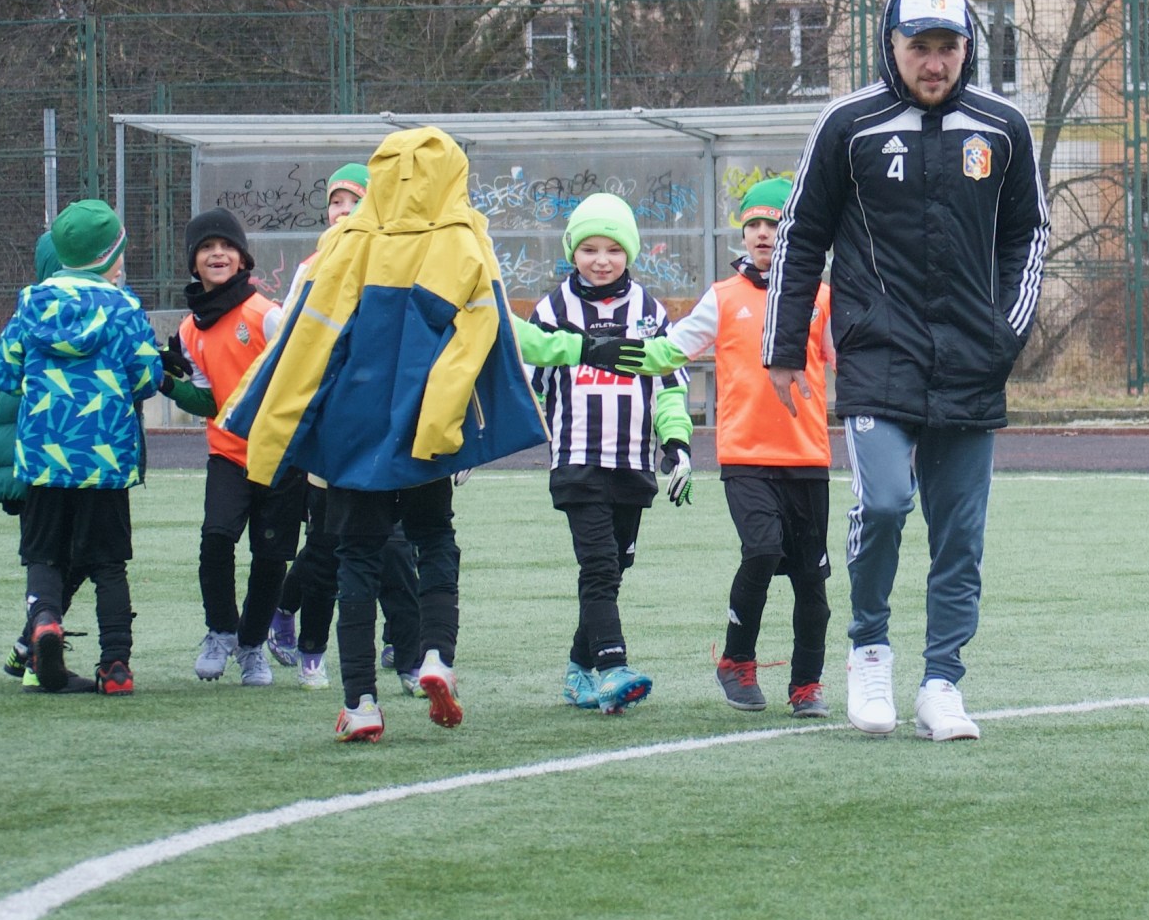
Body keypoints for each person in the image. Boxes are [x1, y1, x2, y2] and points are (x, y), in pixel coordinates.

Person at [763, 0, 1049, 741]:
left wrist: (1005, 334)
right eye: (919, 45)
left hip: (971, 362)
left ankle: (942, 683)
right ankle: (869, 653)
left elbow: (1029, 235)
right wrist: (785, 346)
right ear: (891, 45)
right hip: (876, 356)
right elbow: (801, 235)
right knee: (886, 504)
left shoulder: (1002, 127)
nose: (934, 61)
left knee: (959, 535)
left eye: (947, 46)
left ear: (967, 49)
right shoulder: (848, 124)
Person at [226, 127, 549, 742]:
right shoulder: (463, 240)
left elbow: (310, 334)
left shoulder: (348, 239)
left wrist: (273, 424)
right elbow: (482, 336)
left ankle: (361, 702)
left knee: (355, 557)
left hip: (354, 425)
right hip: (422, 422)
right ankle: (436, 655)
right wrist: (448, 420)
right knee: (434, 539)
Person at [636, 177, 835, 718]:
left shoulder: (820, 298)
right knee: (763, 550)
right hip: (745, 456)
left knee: (811, 582)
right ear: (743, 234)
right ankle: (736, 661)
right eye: (755, 225)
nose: (764, 233)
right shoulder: (723, 298)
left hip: (808, 459)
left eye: (776, 224)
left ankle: (806, 685)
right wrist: (602, 352)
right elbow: (667, 351)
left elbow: (855, 359)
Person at [0, 198, 162, 695]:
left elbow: (5, 374)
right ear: (109, 257)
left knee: (43, 555)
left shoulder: (30, 303)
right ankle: (116, 665)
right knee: (108, 564)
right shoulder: (123, 308)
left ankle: (44, 620)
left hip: (42, 457)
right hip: (105, 459)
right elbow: (147, 377)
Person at [261, 164, 425, 694]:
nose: (344, 212)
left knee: (395, 547)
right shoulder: (313, 267)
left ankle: (406, 652)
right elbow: (290, 338)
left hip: (386, 433)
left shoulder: (399, 260)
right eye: (336, 201)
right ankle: (302, 631)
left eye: (356, 201)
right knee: (328, 546)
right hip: (334, 433)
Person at [529, 192, 694, 715]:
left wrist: (677, 444)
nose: (601, 260)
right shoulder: (552, 310)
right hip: (577, 461)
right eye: (589, 249)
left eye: (614, 249)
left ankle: (578, 670)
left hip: (632, 464)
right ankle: (612, 667)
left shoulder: (649, 311)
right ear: (572, 252)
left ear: (630, 253)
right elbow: (527, 386)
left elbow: (668, 388)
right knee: (599, 565)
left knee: (614, 567)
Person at [158, 207, 306, 688]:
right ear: (193, 262)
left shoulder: (266, 315)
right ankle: (220, 631)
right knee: (216, 538)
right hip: (227, 454)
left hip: (279, 457)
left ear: (243, 258)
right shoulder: (189, 329)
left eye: (226, 246)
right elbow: (209, 400)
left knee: (270, 557)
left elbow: (299, 375)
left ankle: (252, 645)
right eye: (206, 247)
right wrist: (166, 383)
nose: (217, 254)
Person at [0, 230, 87, 690]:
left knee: (47, 555)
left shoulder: (26, 319)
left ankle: (31, 642)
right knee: (74, 555)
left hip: (31, 467)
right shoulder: (81, 320)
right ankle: (35, 647)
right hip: (65, 463)